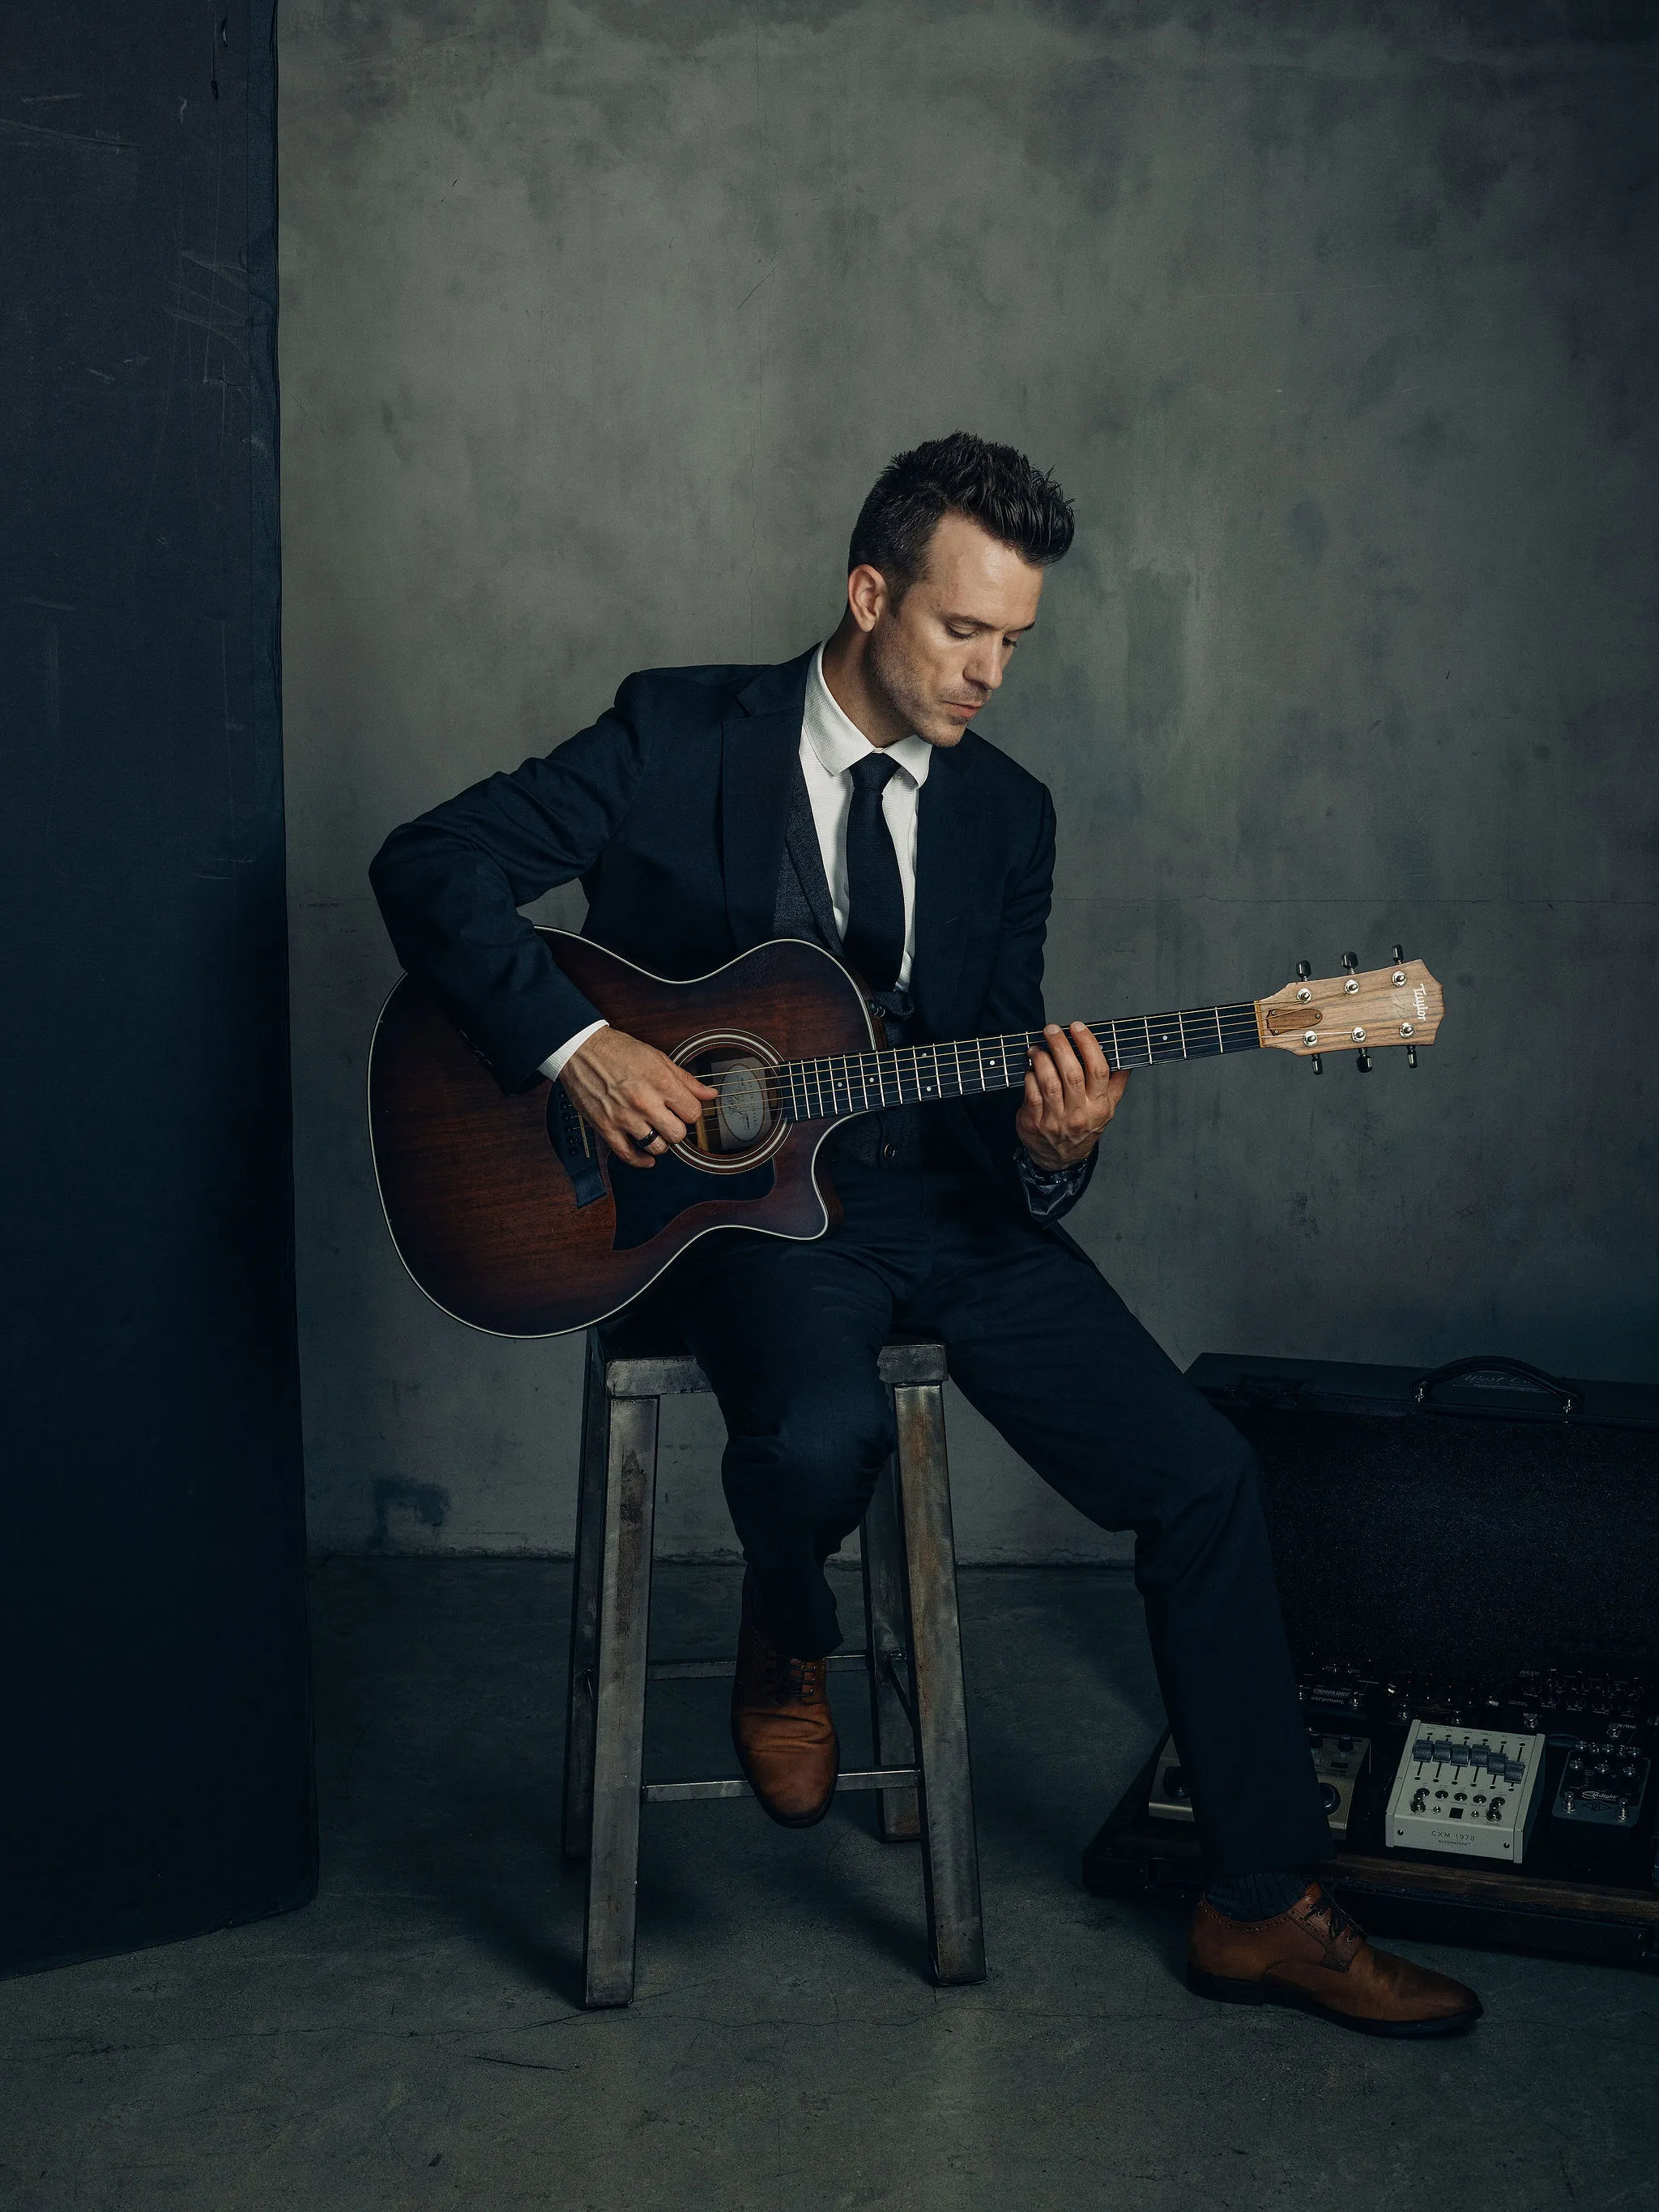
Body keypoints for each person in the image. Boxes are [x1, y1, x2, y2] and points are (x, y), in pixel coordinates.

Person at [370, 432, 1481, 2036]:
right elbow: (429, 866)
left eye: (1015, 642)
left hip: (946, 1210)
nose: (990, 674)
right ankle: (789, 1629)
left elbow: (1001, 1058)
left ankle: (1261, 1905)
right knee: (816, 1434)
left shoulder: (1008, 815)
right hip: (740, 1217)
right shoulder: (677, 730)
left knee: (1203, 1471)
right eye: (964, 631)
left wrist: (1050, 1149)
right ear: (869, 590)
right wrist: (576, 1044)